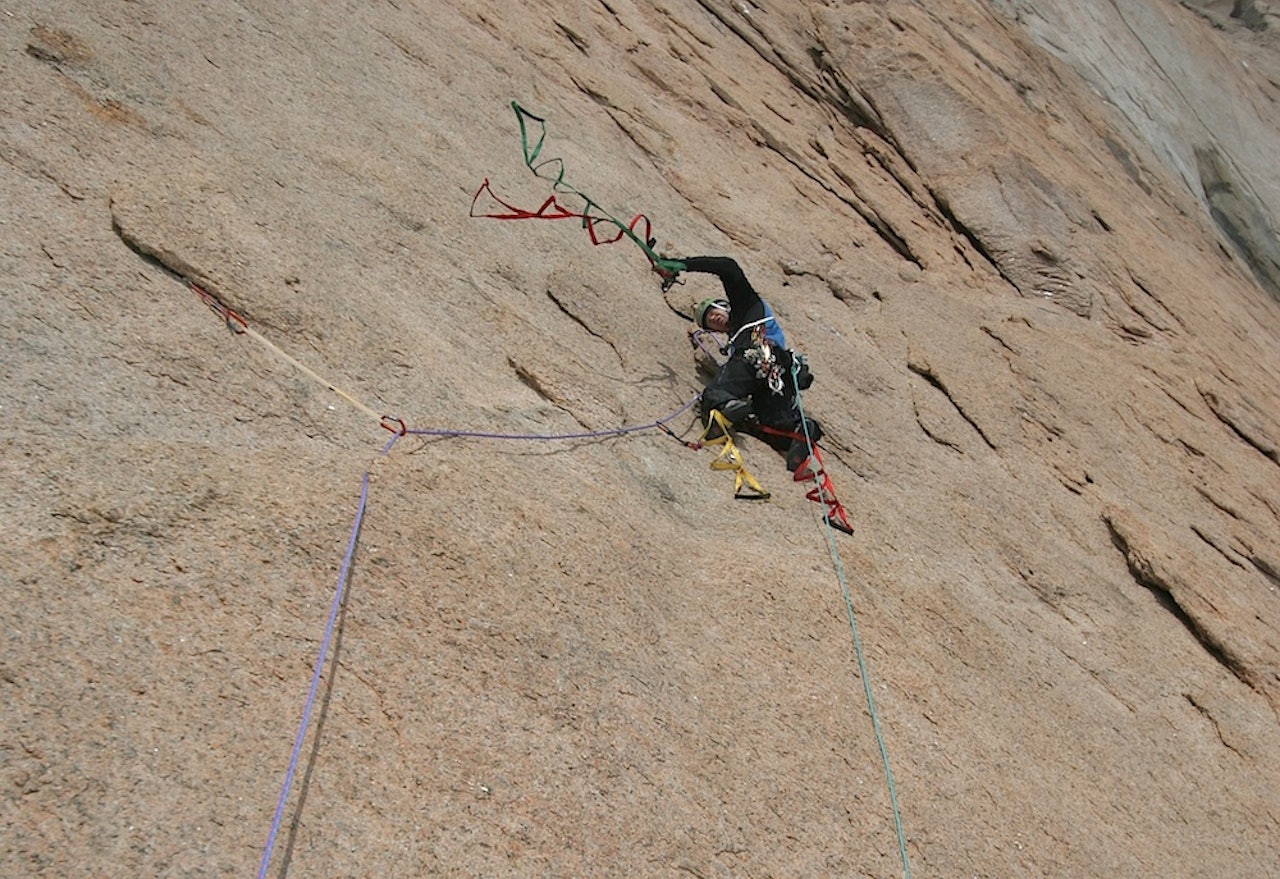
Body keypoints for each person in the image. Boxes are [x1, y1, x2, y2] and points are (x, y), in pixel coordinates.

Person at [657, 255, 820, 471]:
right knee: (771, 426)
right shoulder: (736, 335)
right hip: (776, 374)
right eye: (709, 323)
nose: (713, 320)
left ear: (724, 305)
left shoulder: (746, 305)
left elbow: (727, 266)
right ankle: (800, 432)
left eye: (712, 312)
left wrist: (684, 264)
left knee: (716, 392)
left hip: (756, 356)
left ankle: (724, 407)